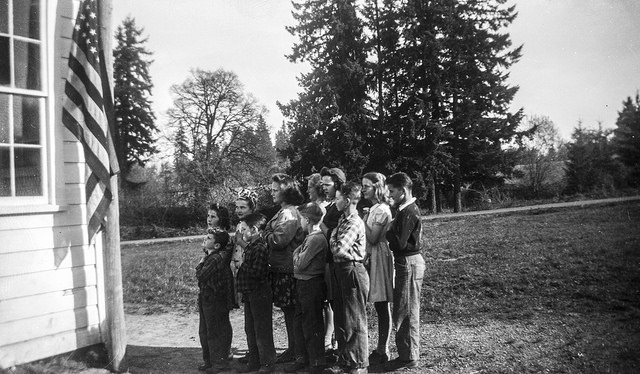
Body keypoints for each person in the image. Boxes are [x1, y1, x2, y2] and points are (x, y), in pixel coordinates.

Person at [325, 182, 369, 374]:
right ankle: (346, 361)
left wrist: (333, 235)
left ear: (348, 200)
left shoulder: (353, 222)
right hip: (340, 269)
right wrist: (334, 234)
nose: (335, 201)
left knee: (355, 318)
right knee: (343, 318)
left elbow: (338, 249)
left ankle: (359, 364)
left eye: (338, 198)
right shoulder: (343, 220)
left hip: (352, 270)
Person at [384, 172, 425, 372]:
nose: (389, 194)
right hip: (405, 261)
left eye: (392, 191)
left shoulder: (409, 210)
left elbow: (399, 242)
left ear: (403, 189)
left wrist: (387, 230)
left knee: (407, 309)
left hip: (408, 261)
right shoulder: (403, 209)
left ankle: (409, 357)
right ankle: (406, 354)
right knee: (403, 308)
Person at [262, 173, 305, 364]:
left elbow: (278, 240)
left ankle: (295, 350)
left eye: (275, 190)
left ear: (286, 191)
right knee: (289, 311)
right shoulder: (284, 211)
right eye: (271, 189)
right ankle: (293, 348)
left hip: (287, 269)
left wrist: (266, 234)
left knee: (291, 311)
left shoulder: (288, 214)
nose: (272, 193)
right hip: (283, 268)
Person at [286, 203, 328, 374]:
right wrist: (297, 255)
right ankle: (303, 358)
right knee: (301, 322)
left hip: (311, 284)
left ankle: (316, 362)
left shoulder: (316, 239)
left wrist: (296, 255)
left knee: (312, 324)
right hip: (303, 283)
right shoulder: (309, 237)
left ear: (308, 219)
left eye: (301, 219)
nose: (299, 222)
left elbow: (300, 264)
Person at [236, 212, 276, 373]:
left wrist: (243, 267)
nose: (241, 232)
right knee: (250, 328)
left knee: (261, 330)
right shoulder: (251, 247)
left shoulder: (259, 248)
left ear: (253, 229)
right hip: (250, 293)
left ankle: (267, 363)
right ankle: (254, 361)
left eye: (243, 229)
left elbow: (258, 272)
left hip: (259, 293)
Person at [361, 172, 394, 366]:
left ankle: (383, 349)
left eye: (367, 186)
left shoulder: (382, 210)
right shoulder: (374, 209)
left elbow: (373, 238)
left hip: (379, 256)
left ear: (377, 187)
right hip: (371, 255)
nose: (364, 189)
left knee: (382, 303)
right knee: (377, 303)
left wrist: (362, 219)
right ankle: (380, 348)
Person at [196, 228, 233, 374]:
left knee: (214, 331)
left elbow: (202, 276)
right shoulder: (212, 256)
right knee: (204, 331)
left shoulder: (215, 258)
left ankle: (219, 363)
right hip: (207, 297)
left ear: (217, 245)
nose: (205, 240)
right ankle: (210, 361)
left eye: (209, 238)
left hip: (214, 299)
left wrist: (200, 264)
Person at [319, 167, 346, 358]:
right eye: (322, 185)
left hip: (338, 260)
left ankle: (341, 347)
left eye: (327, 184)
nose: (324, 188)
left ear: (337, 184)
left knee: (339, 303)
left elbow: (336, 234)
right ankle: (337, 343)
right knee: (333, 301)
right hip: (330, 259)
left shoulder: (339, 208)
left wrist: (321, 226)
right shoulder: (331, 206)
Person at [232, 189, 258, 309]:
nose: (238, 210)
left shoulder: (254, 227)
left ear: (252, 209)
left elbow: (254, 250)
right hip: (240, 268)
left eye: (243, 208)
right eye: (237, 207)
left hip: (251, 270)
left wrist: (240, 241)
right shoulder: (240, 225)